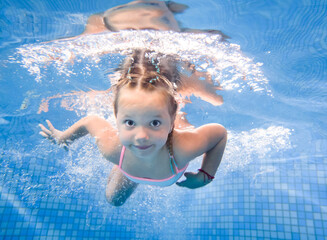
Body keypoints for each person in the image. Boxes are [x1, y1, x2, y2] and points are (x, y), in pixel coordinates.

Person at [39, 50, 227, 206]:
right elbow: (91, 121)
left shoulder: (181, 149)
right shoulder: (113, 148)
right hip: (128, 166)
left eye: (154, 123)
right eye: (130, 123)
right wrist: (64, 137)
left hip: (155, 161)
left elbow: (219, 134)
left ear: (171, 121)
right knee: (113, 200)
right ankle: (121, 168)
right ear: (116, 117)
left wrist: (205, 175)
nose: (141, 136)